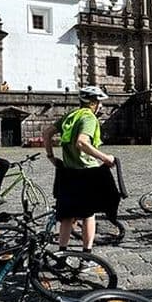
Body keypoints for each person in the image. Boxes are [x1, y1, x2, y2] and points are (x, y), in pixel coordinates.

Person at [43, 86, 118, 256]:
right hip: (86, 174)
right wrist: (105, 158)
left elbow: (47, 133)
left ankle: (62, 255)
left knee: (67, 216)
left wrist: (51, 157)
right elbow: (82, 142)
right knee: (88, 215)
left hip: (67, 172)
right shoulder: (89, 118)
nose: (100, 105)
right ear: (92, 102)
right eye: (99, 102)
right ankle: (86, 255)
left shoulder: (71, 115)